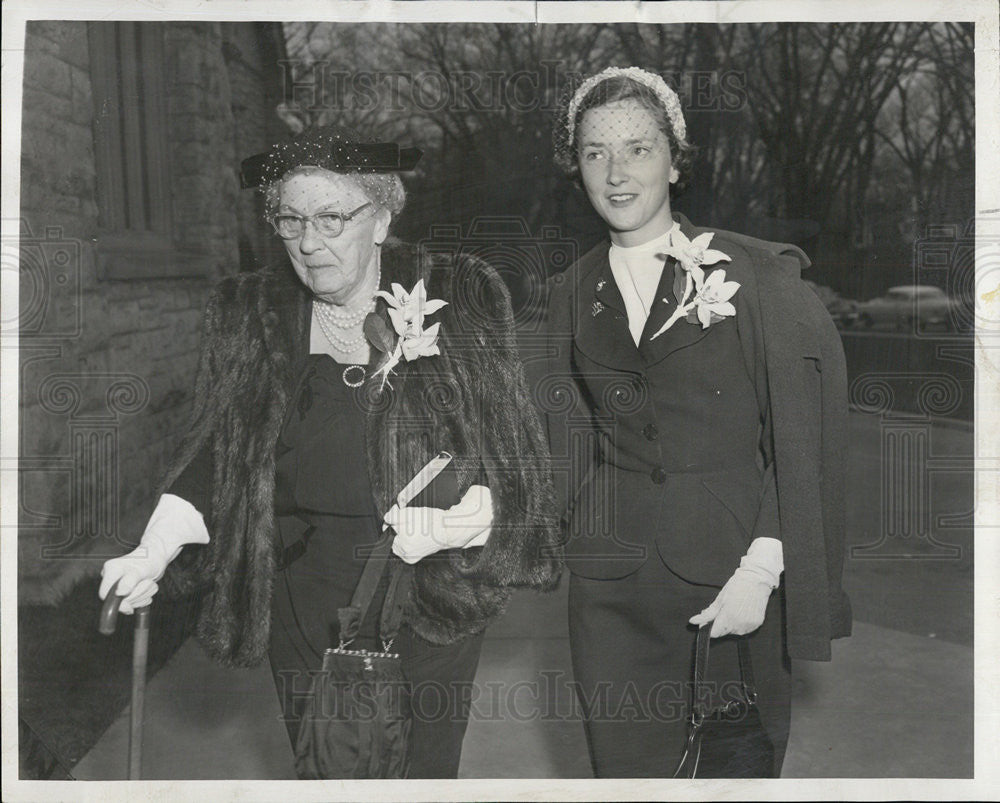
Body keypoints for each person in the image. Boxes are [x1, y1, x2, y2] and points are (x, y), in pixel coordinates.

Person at [99, 124, 561, 778]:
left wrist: (452, 525)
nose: (309, 243)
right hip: (301, 600)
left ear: (382, 218)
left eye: (331, 217)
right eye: (289, 220)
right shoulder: (252, 313)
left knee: (419, 776)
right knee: (324, 769)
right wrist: (154, 548)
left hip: (425, 595)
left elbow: (518, 472)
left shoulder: (459, 298)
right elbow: (217, 453)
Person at [542, 66, 851, 777]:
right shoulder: (570, 289)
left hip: (733, 584)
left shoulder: (754, 276)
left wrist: (764, 565)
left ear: (677, 162)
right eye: (595, 151)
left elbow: (803, 441)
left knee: (731, 773)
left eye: (639, 149)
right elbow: (554, 443)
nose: (616, 172)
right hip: (611, 595)